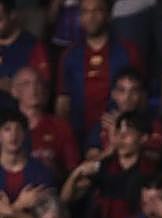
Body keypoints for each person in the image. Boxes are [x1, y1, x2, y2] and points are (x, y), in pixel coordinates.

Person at [56, 0, 142, 142]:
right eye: (85, 12)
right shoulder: (69, 55)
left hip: (120, 134)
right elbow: (63, 101)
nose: (91, 17)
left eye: (97, 11)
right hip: (78, 135)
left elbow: (140, 96)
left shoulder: (128, 51)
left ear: (108, 15)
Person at [13, 67, 79, 183]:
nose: (34, 89)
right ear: (15, 91)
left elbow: (72, 170)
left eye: (38, 83)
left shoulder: (60, 127)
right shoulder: (5, 127)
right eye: (26, 84)